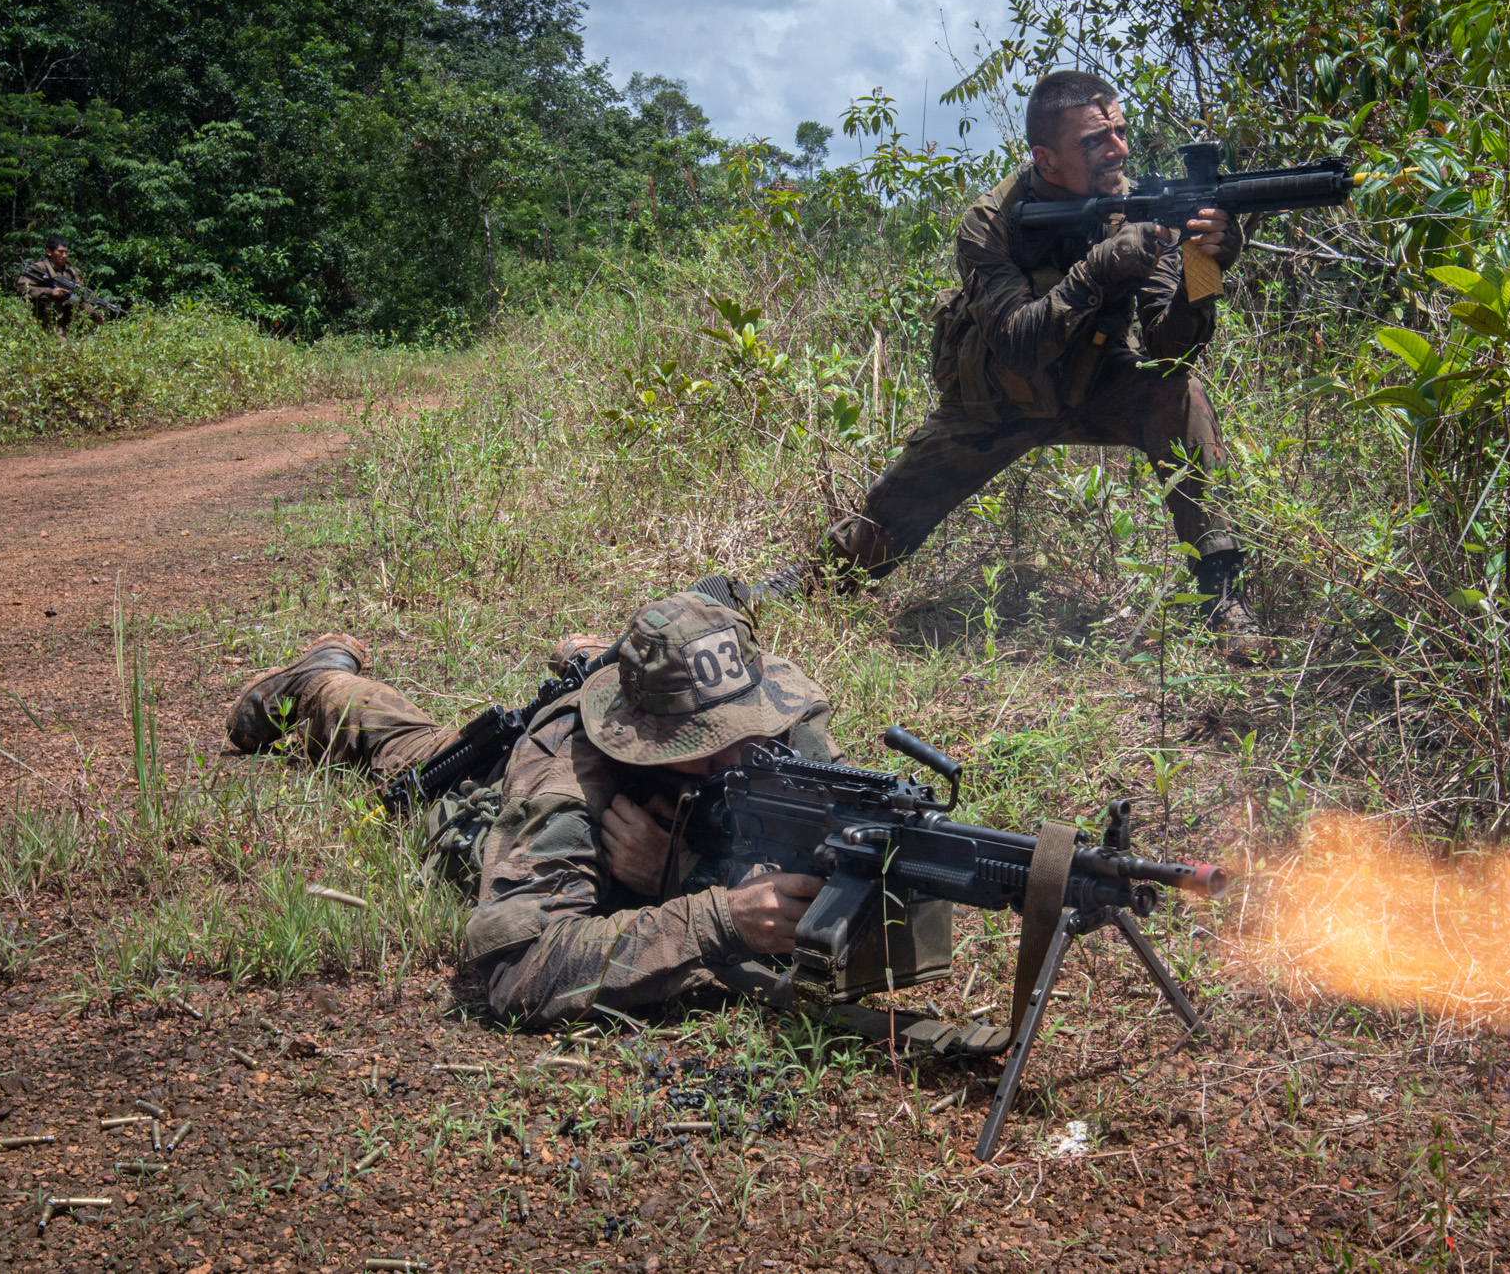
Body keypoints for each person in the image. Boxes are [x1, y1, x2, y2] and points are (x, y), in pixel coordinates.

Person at [773, 70, 1265, 656]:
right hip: (995, 403)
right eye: (1094, 141)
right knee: (878, 535)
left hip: (1095, 389)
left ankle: (1223, 600)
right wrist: (1100, 269)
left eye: (1121, 133)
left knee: (1177, 393)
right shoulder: (990, 222)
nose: (1119, 151)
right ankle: (790, 592)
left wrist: (1202, 269)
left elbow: (1172, 349)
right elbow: (1016, 343)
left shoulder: (1136, 209)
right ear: (1045, 158)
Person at [224, 591, 840, 1026]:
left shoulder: (780, 723)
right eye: (703, 747)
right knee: (409, 752)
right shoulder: (567, 768)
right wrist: (712, 919)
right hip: (492, 792)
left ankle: (596, 657)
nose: (736, 759)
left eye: (747, 732)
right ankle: (319, 680)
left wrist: (675, 876)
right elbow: (521, 970)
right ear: (646, 734)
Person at [15, 236, 105, 337]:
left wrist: (93, 314)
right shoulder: (40, 269)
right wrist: (50, 292)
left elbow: (80, 299)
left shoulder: (71, 272)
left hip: (70, 324)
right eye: (60, 252)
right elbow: (22, 288)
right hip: (45, 323)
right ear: (49, 252)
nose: (64, 255)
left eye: (66, 252)